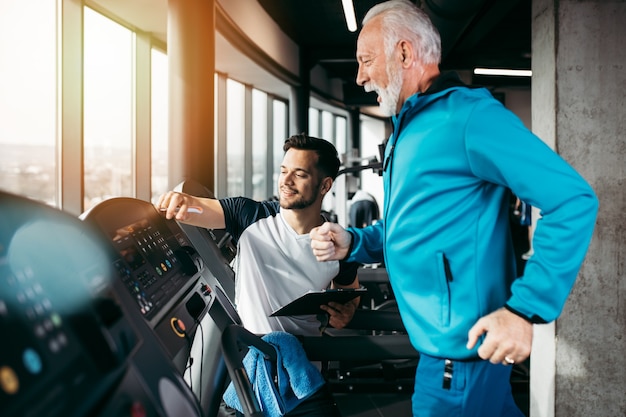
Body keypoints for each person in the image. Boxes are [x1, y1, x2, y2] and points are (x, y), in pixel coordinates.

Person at [309, 1, 598, 416]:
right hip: (447, 348)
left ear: (405, 53)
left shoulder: (469, 117)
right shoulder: (407, 126)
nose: (360, 76)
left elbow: (572, 200)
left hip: (459, 356)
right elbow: (417, 225)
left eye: (367, 60)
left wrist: (524, 309)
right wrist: (353, 242)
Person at [157, 134, 360, 416]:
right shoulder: (250, 215)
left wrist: (346, 312)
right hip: (252, 363)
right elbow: (196, 208)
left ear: (325, 185)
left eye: (299, 174)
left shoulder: (338, 241)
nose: (286, 182)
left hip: (307, 371)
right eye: (283, 171)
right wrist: (180, 201)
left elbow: (350, 294)